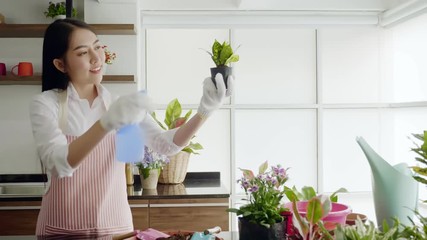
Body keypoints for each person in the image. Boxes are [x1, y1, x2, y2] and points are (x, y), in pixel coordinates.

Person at [29, 18, 234, 236]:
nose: (96, 57)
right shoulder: (46, 105)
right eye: (82, 53)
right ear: (61, 64)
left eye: (97, 47)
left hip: (117, 230)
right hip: (62, 231)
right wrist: (107, 123)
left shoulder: (121, 106)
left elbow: (166, 145)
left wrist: (205, 111)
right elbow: (60, 163)